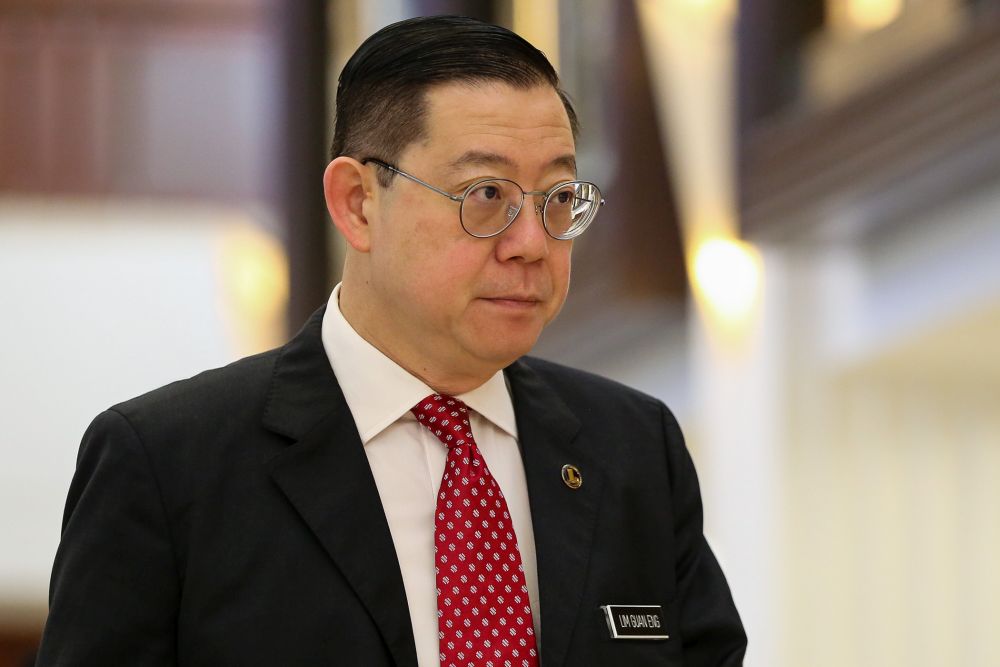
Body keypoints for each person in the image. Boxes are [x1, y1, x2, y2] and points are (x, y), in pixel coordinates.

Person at [36, 15, 746, 667]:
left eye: (558, 199)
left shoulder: (631, 448)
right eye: (487, 196)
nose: (532, 244)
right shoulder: (169, 465)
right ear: (357, 203)